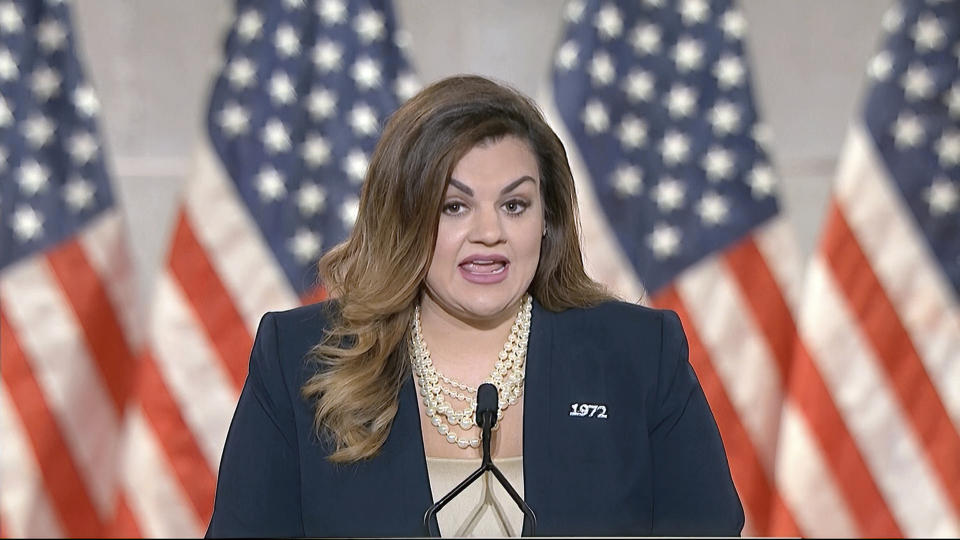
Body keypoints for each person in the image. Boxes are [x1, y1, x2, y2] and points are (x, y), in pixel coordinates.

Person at [206, 75, 744, 538]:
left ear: (547, 219)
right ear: (404, 217)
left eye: (514, 205)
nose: (489, 233)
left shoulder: (638, 355)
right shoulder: (302, 357)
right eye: (454, 206)